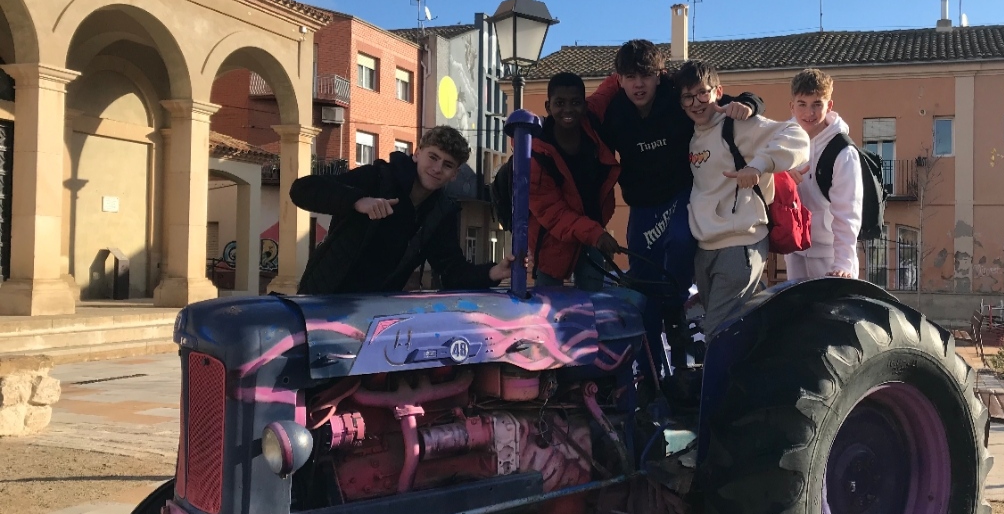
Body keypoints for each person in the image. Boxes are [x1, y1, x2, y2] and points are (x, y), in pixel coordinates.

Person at [588, 40, 761, 377]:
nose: (639, 85)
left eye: (645, 76)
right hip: (641, 206)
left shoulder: (675, 95)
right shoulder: (614, 114)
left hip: (681, 193)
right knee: (643, 291)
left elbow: (726, 101)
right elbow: (581, 133)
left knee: (682, 241)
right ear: (619, 80)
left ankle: (677, 311)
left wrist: (751, 104)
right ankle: (650, 378)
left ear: (660, 76)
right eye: (630, 77)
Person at [291, 126, 514, 294]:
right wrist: (358, 201)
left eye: (447, 165)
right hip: (324, 297)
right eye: (433, 157)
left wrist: (494, 272)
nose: (437, 168)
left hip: (373, 314)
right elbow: (302, 190)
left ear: (455, 174)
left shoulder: (440, 212)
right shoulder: (378, 178)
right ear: (417, 154)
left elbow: (452, 271)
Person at [677, 60, 810, 337]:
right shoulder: (692, 134)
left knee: (719, 334)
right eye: (688, 96)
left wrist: (758, 166)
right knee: (736, 333)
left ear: (718, 92)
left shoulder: (738, 125)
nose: (696, 103)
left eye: (702, 93)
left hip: (740, 245)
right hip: (706, 248)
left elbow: (797, 136)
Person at [530, 72, 621, 290]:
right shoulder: (536, 155)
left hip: (592, 235)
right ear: (548, 106)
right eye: (560, 103)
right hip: (552, 241)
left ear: (585, 105)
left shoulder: (591, 120)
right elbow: (553, 213)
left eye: (575, 102)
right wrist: (596, 234)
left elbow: (608, 89)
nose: (568, 109)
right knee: (548, 305)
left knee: (593, 303)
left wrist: (648, 72)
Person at [786, 68, 863, 280]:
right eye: (802, 104)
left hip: (831, 255)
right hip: (794, 250)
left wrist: (843, 263)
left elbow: (848, 212)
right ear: (792, 106)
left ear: (829, 106)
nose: (809, 113)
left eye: (817, 104)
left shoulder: (843, 152)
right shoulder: (783, 142)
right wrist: (783, 176)